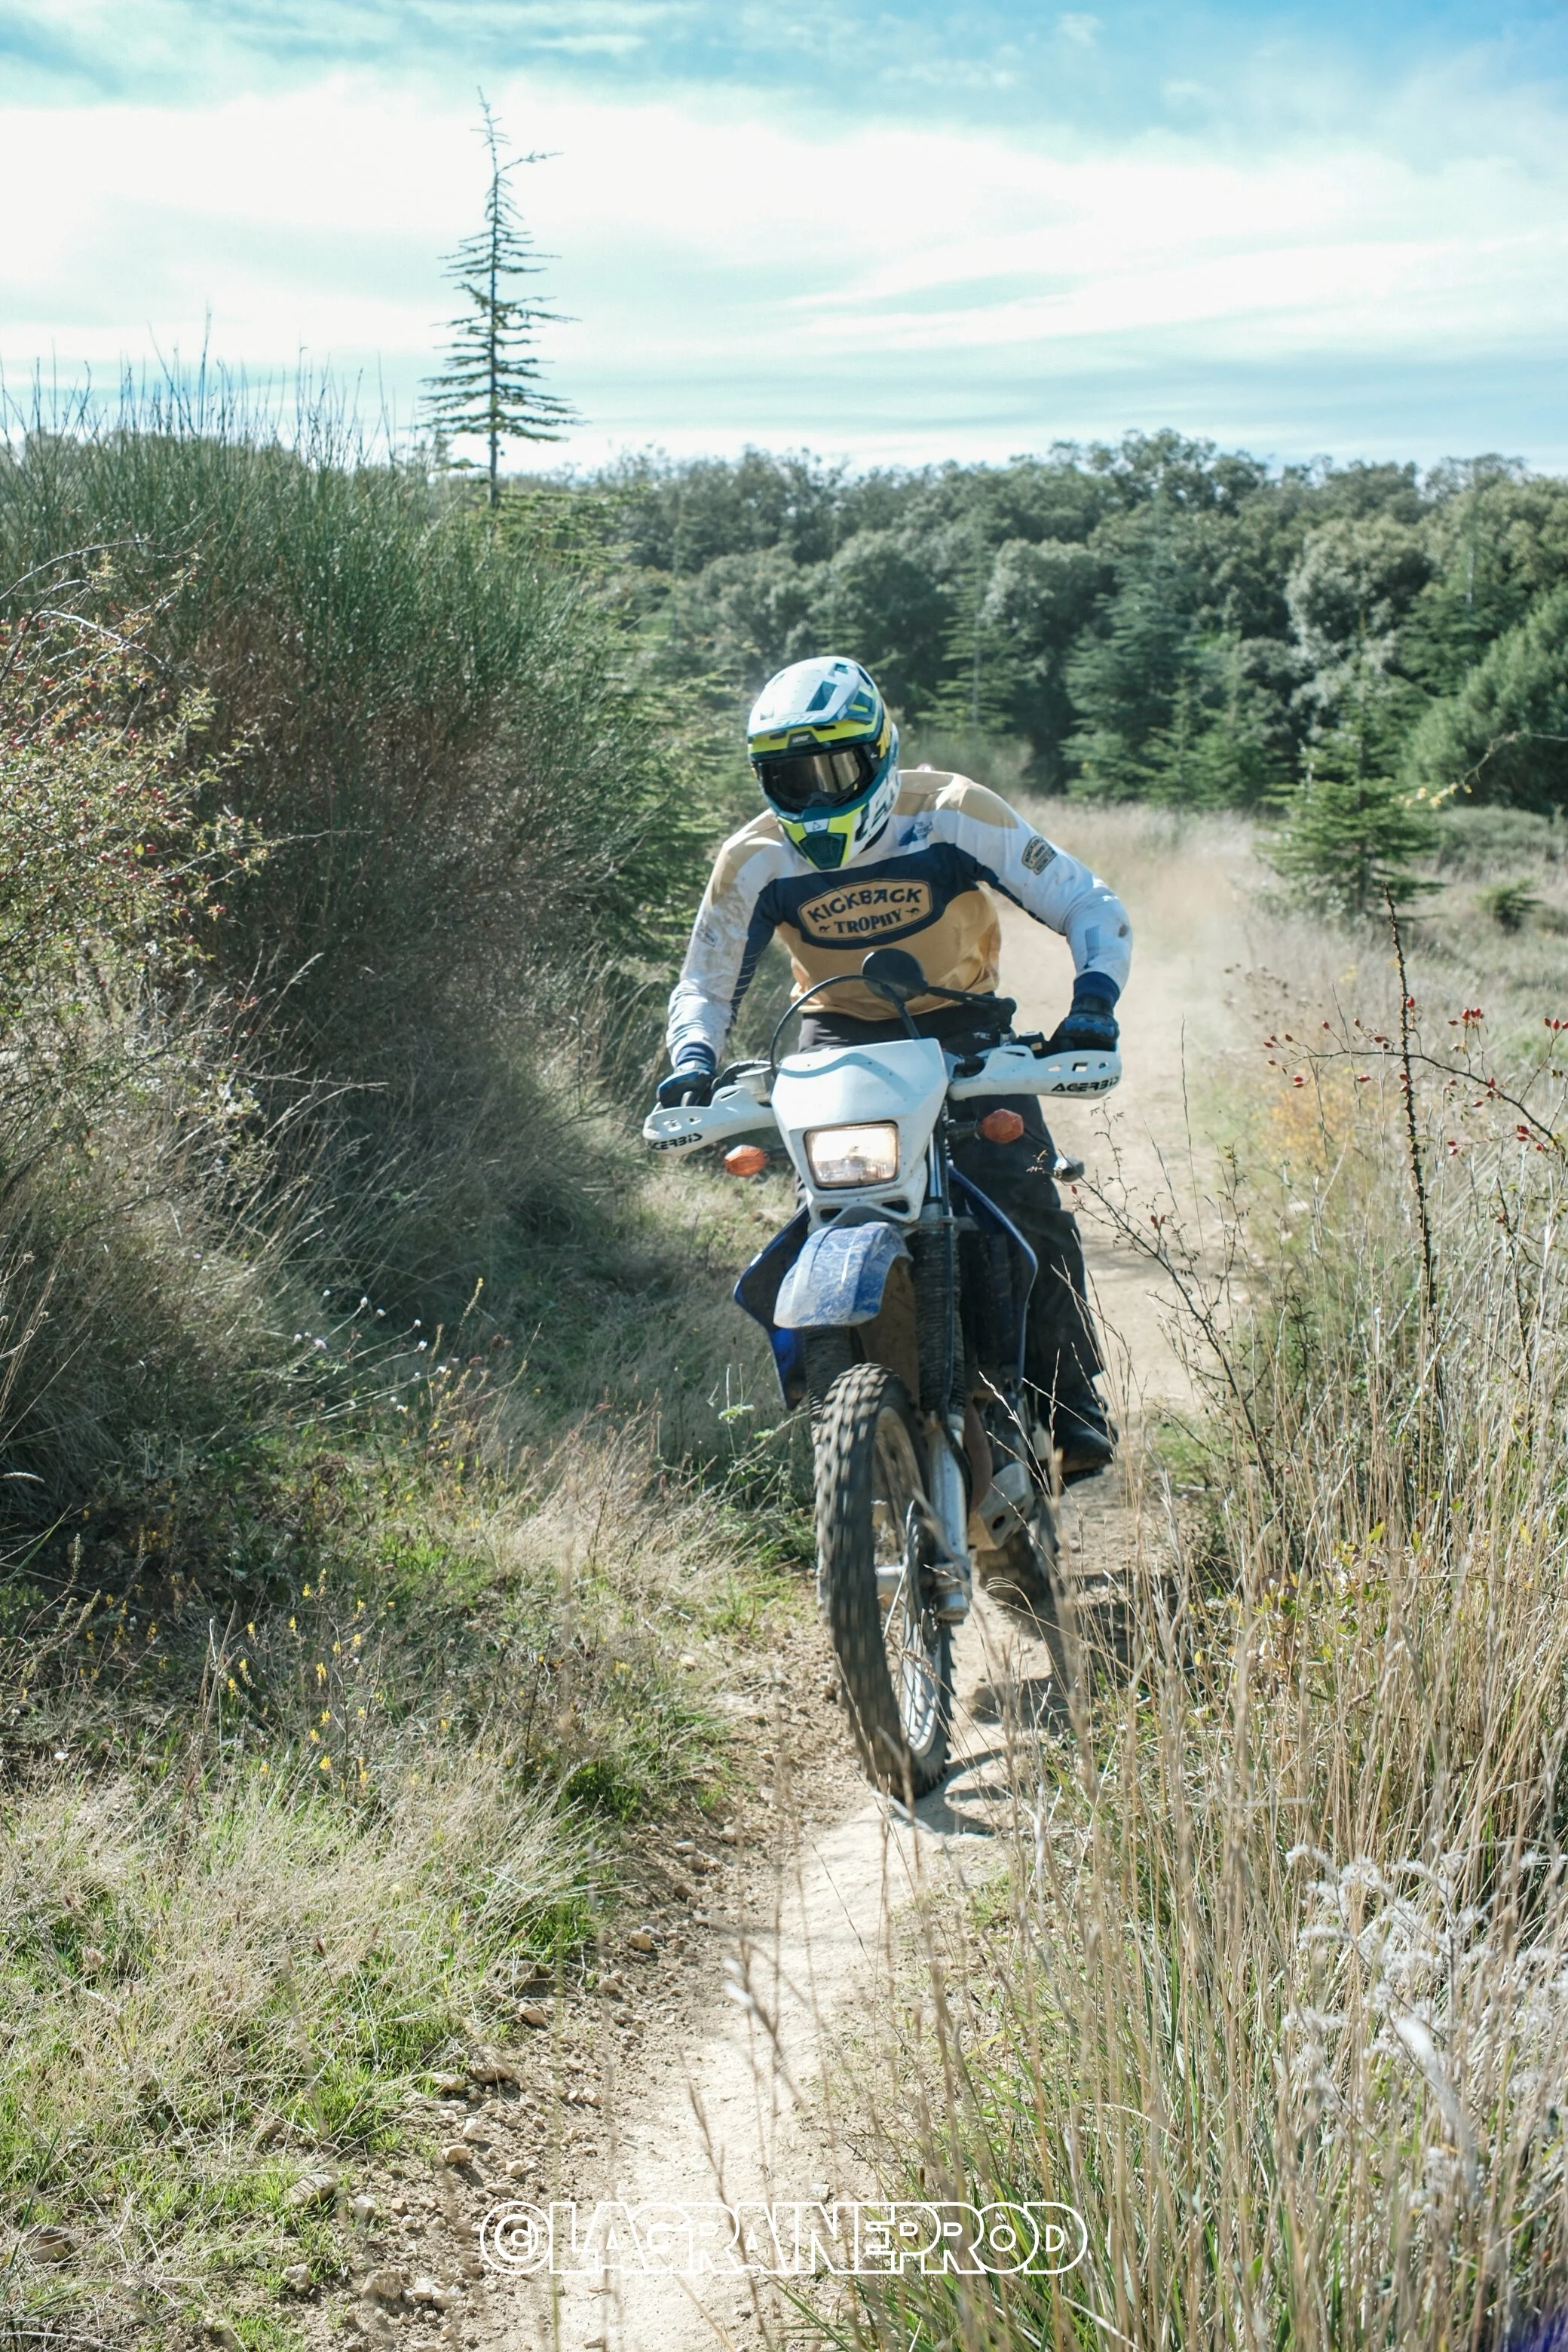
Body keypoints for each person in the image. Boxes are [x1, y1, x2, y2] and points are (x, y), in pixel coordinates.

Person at [656, 654, 1131, 1481]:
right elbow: (704, 978)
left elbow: (1087, 902)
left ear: (878, 751)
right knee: (825, 1211)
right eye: (786, 777)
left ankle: (1068, 1394)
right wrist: (693, 1060)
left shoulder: (950, 812)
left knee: (1022, 1188)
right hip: (837, 1041)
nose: (811, 796)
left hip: (965, 1032)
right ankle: (841, 1393)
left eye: (832, 769)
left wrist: (1091, 1005)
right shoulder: (757, 857)